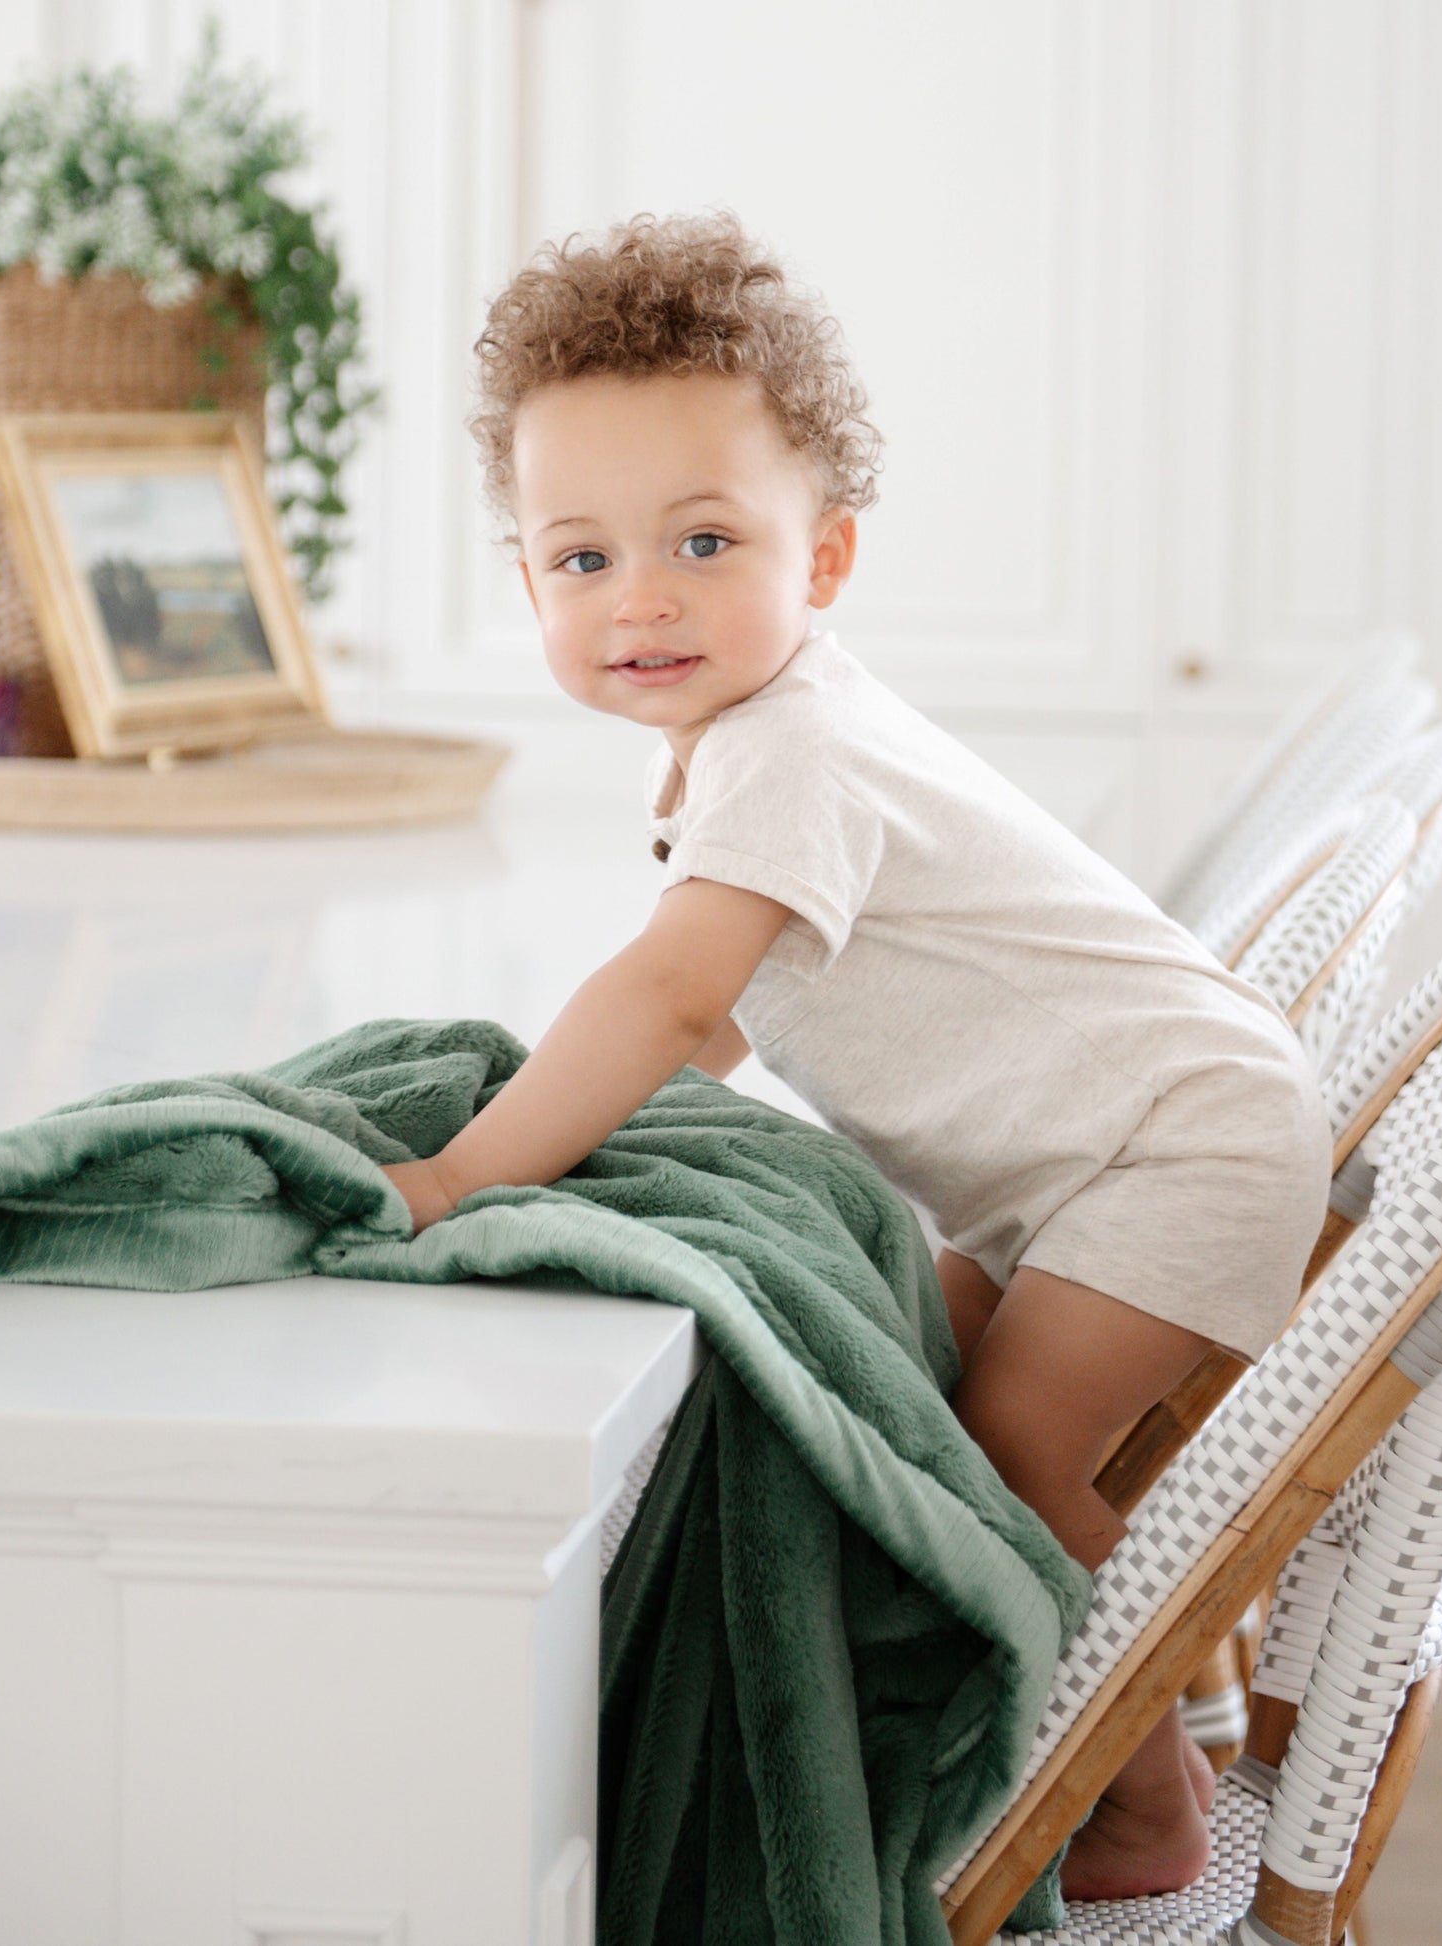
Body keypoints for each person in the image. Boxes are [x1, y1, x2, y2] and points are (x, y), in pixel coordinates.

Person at [379, 209, 1332, 1901]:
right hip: (1095, 1155)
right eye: (582, 559)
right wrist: (587, 1124)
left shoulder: (786, 751)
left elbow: (678, 1001)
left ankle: (1142, 1802)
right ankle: (1041, 1710)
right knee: (888, 1377)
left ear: (820, 557)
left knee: (1009, 1457)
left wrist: (471, 1169)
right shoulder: (754, 745)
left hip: (1174, 1149)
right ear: (525, 580)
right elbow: (732, 1016)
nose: (641, 598)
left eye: (702, 542)